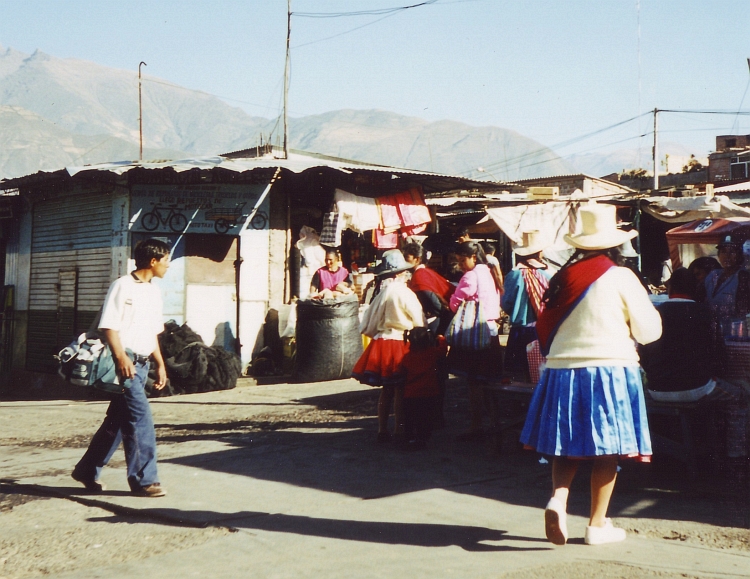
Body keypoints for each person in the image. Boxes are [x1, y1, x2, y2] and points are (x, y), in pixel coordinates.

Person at [520, 202, 662, 546]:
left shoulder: (561, 278)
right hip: (610, 370)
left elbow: (544, 325)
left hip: (561, 372)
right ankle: (597, 525)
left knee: (564, 446)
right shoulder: (621, 276)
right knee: (606, 450)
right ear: (615, 242)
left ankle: (559, 499)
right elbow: (648, 331)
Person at [72, 239, 171, 497]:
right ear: (153, 261)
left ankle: (86, 470)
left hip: (142, 362)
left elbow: (152, 333)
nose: (168, 266)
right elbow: (109, 326)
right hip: (124, 364)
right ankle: (144, 480)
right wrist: (121, 358)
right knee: (140, 419)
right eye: (166, 260)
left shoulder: (154, 291)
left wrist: (160, 364)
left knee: (117, 422)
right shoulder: (122, 286)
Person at [352, 250, 425, 443]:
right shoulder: (406, 293)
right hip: (400, 342)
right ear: (401, 273)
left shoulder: (382, 294)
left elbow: (368, 322)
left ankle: (382, 429)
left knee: (386, 390)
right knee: (400, 390)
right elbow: (419, 320)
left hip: (383, 343)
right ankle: (400, 430)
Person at [448, 241, 502, 440]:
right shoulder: (489, 272)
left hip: (475, 333)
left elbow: (455, 303)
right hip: (492, 330)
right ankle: (494, 422)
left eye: (463, 261)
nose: (461, 265)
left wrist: (451, 301)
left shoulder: (471, 276)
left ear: (473, 257)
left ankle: (476, 426)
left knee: (474, 382)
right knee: (488, 381)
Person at [501, 230, 552, 381]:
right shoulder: (549, 275)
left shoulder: (514, 275)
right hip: (543, 331)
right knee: (542, 374)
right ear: (540, 253)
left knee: (521, 376)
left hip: (520, 332)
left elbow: (506, 304)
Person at [399, 327, 449, 450]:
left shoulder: (407, 357)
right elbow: (443, 350)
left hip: (410, 394)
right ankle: (422, 438)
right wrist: (442, 339)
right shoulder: (432, 353)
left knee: (410, 418)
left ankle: (410, 438)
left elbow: (401, 372)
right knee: (426, 417)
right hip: (429, 392)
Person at [402, 242, 455, 335]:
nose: (404, 262)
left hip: (435, 322)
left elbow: (431, 298)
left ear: (417, 259)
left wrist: (440, 313)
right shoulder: (425, 272)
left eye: (406, 258)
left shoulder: (420, 274)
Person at [703, 235, 750, 339]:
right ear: (718, 255)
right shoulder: (713, 275)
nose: (727, 256)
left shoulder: (743, 277)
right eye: (723, 251)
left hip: (733, 335)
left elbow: (743, 311)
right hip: (711, 332)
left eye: (732, 252)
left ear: (739, 255)